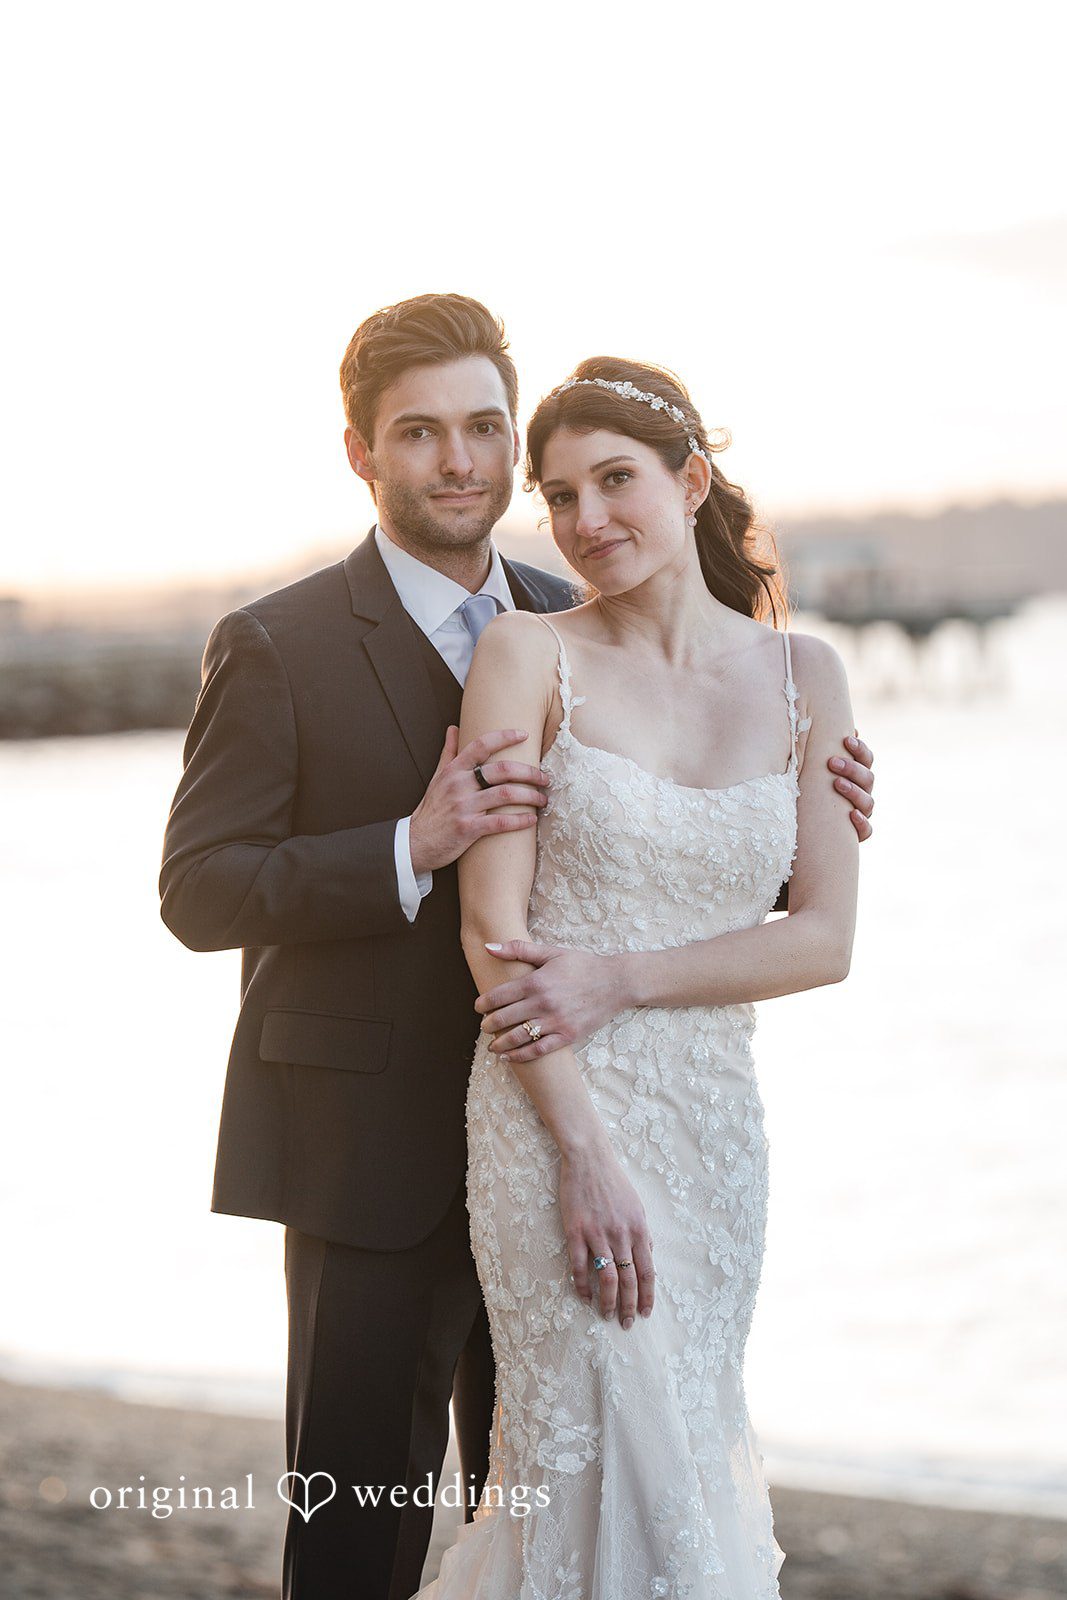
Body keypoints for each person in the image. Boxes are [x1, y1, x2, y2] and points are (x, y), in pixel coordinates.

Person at [158, 297, 875, 1600]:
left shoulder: (569, 603)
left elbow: (654, 852)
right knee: (357, 1532)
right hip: (367, 1154)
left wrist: (805, 819)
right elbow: (198, 891)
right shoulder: (278, 642)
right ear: (360, 453)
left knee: (565, 1504)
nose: (459, 461)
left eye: (483, 428)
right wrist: (407, 842)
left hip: (582, 1126)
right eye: (419, 433)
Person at [412, 357, 860, 1599]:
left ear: (691, 481)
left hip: (713, 1133)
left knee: (688, 1449)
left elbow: (822, 939)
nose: (584, 519)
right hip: (551, 1114)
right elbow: (491, 934)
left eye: (615, 480)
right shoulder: (524, 652)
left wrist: (620, 974)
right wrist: (584, 1155)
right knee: (597, 1456)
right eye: (556, 496)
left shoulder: (803, 678)